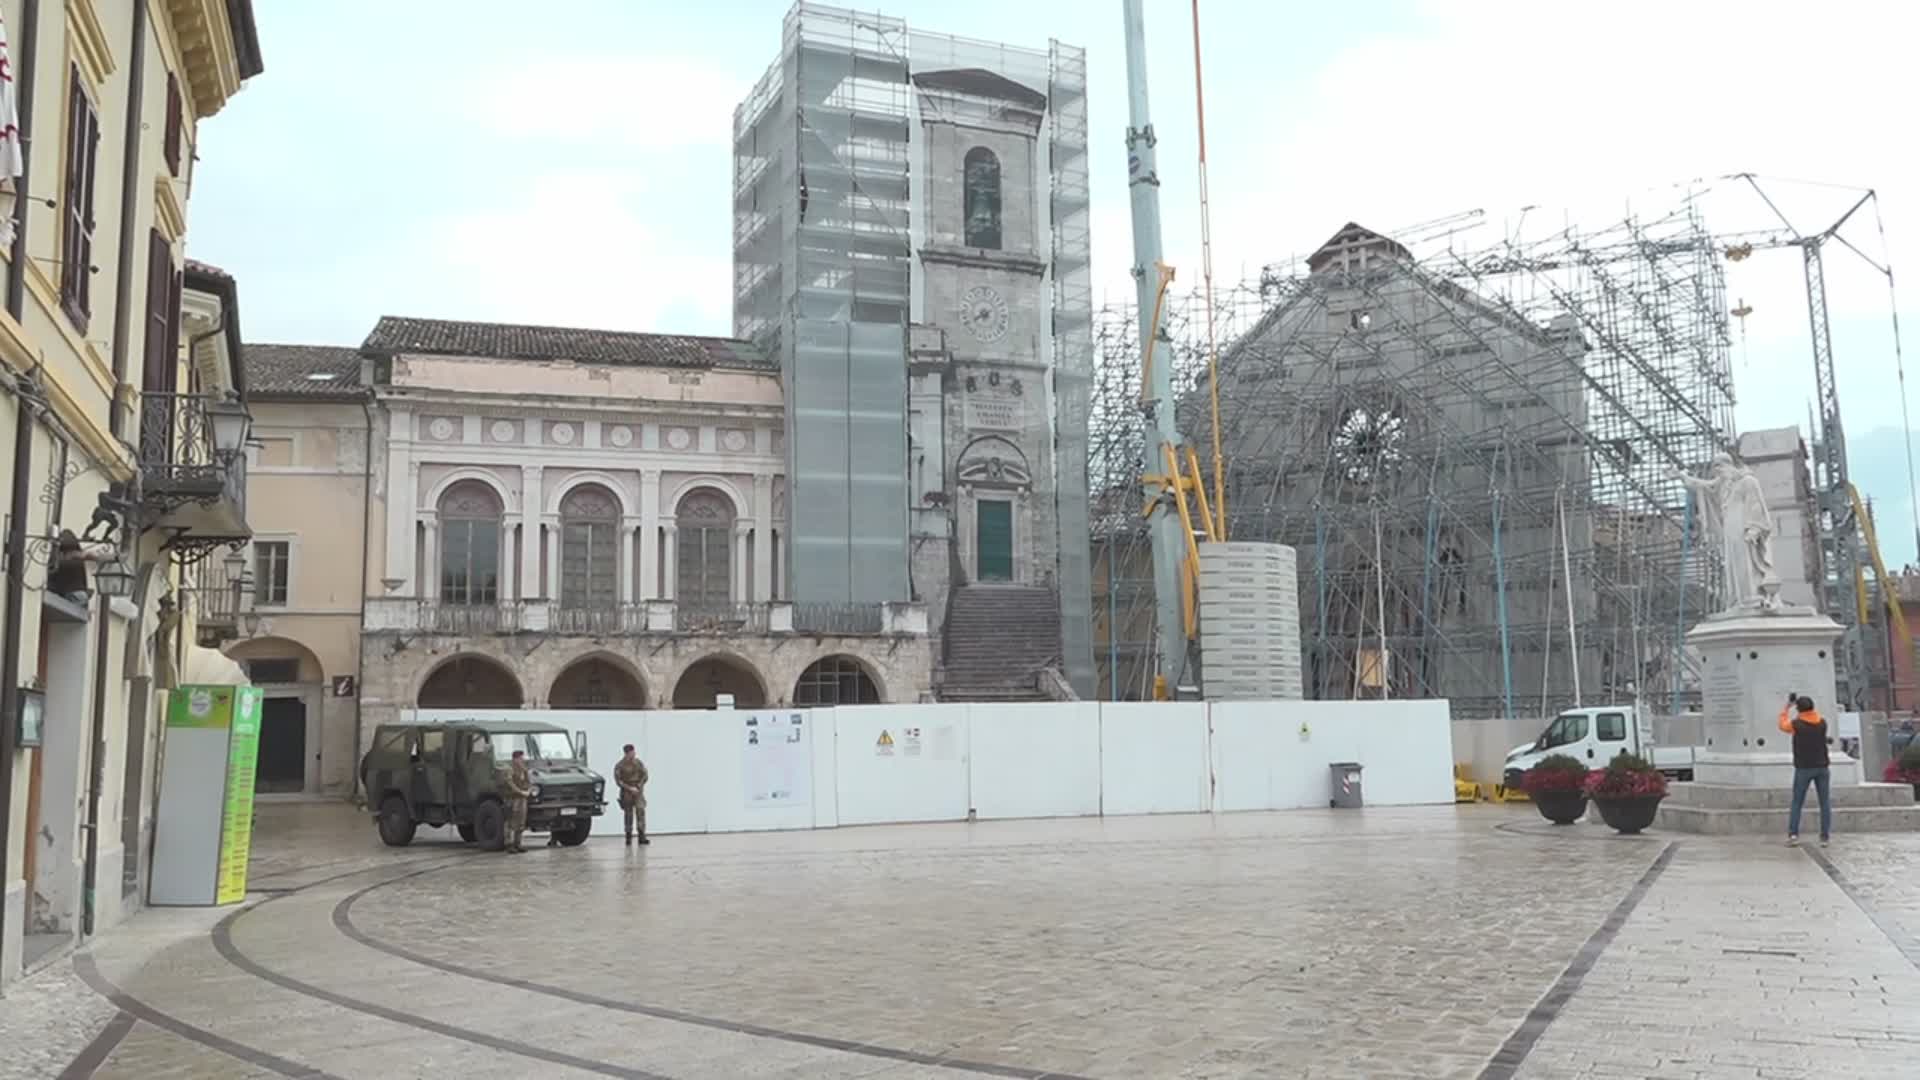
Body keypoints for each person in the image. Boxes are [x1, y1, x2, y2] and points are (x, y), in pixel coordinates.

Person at [1779, 693, 1831, 847]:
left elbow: (1782, 725)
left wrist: (1786, 708)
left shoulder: (1796, 724)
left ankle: (1794, 835)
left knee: (1797, 802)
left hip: (1804, 767)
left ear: (1798, 710)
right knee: (1824, 802)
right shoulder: (1822, 722)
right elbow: (1814, 717)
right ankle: (1825, 836)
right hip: (1822, 766)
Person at [500, 748, 533, 854]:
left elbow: (528, 782)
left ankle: (517, 843)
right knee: (511, 822)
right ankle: (509, 844)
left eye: (522, 758)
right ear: (515, 759)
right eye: (520, 758)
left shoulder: (523, 769)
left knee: (521, 822)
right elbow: (510, 784)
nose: (522, 760)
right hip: (512, 798)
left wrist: (528, 790)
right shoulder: (509, 769)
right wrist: (520, 792)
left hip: (522, 798)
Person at [615, 744, 649, 846]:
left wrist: (638, 786)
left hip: (638, 791)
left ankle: (641, 836)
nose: (633, 754)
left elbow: (645, 775)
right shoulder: (620, 765)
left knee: (640, 811)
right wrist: (629, 788)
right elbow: (618, 781)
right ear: (626, 753)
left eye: (633, 752)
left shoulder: (638, 763)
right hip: (627, 792)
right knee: (628, 814)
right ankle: (628, 836)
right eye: (631, 752)